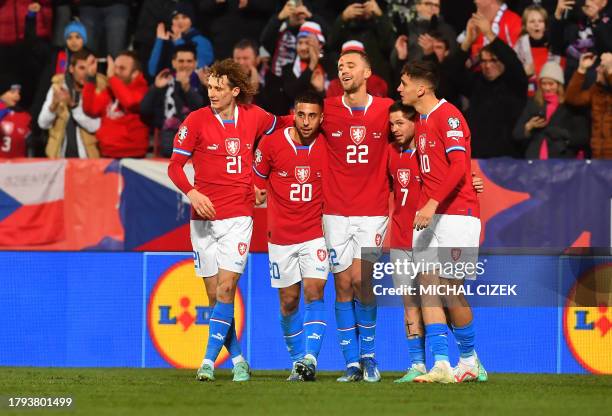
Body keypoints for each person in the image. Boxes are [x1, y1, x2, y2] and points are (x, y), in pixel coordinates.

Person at [167, 58, 291, 382]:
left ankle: (207, 362)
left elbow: (286, 125)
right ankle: (237, 358)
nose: (212, 92)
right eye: (210, 86)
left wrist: (325, 118)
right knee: (214, 298)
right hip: (202, 219)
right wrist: (192, 193)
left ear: (235, 91)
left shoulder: (255, 117)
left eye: (219, 88)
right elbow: (174, 168)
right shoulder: (195, 121)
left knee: (226, 289)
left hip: (238, 214)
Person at [386, 101, 486, 383]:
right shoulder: (391, 154)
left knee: (445, 296)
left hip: (434, 228)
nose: (395, 129)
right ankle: (424, 364)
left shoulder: (431, 149)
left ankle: (468, 358)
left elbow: (455, 173)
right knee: (412, 302)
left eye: (401, 123)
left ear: (415, 123)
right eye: (391, 124)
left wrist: (471, 181)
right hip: (402, 237)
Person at [321, 49, 394, 383]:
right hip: (335, 211)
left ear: (367, 71)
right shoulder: (326, 109)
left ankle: (369, 357)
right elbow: (293, 127)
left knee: (364, 281)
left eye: (351, 65)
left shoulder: (387, 109)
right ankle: (351, 363)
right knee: (343, 285)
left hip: (372, 211)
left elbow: (417, 140)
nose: (344, 70)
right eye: (340, 66)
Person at [253, 91, 328, 382]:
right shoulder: (271, 143)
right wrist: (256, 191)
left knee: (314, 291)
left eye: (312, 116)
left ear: (321, 118)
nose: (306, 122)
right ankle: (298, 362)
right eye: (301, 115)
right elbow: (256, 181)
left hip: (315, 234)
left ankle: (310, 358)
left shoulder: (329, 145)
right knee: (288, 301)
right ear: (293, 114)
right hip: (281, 237)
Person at [449, 13, 527, 158]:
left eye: (493, 60)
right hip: (476, 159)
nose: (488, 65)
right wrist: (466, 43)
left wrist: (489, 34)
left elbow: (513, 62)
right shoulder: (477, 82)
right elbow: (452, 74)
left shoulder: (514, 83)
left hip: (508, 160)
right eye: (483, 61)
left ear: (502, 61)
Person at [513, 61, 589, 158]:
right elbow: (517, 134)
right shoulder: (533, 103)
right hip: (535, 157)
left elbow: (581, 137)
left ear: (559, 85)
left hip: (561, 160)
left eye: (551, 84)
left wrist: (563, 136)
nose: (547, 88)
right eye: (544, 84)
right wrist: (528, 126)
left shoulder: (568, 105)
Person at [141, 44, 205, 158]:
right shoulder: (164, 82)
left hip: (197, 149)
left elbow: (203, 111)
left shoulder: (203, 84)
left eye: (189, 61)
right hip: (168, 148)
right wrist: (155, 88)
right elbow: (144, 110)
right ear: (173, 63)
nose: (185, 65)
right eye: (181, 61)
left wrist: (187, 89)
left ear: (195, 63)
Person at [82, 51, 149, 158]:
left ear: (135, 74)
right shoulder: (111, 89)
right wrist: (90, 78)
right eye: (115, 67)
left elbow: (130, 103)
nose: (116, 71)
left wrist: (112, 78)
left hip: (134, 157)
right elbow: (90, 109)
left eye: (122, 68)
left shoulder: (142, 90)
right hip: (107, 154)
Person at [38, 48, 102, 158]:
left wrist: (72, 105)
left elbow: (96, 127)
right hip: (59, 160)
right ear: (71, 68)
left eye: (89, 68)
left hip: (89, 161)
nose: (86, 73)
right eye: (82, 68)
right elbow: (43, 124)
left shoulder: (99, 89)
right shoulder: (58, 87)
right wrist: (53, 105)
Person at [329, 1, 395, 85]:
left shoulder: (379, 24)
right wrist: (343, 18)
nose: (363, 9)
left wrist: (379, 16)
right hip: (349, 82)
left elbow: (389, 45)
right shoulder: (346, 27)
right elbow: (331, 44)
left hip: (377, 82)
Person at [148, 2, 214, 78]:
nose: (180, 21)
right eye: (176, 18)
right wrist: (159, 41)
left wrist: (179, 42)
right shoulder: (168, 40)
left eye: (184, 17)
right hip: (169, 86)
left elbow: (200, 68)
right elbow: (152, 71)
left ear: (191, 20)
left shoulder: (201, 41)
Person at [565, 52, 612, 158]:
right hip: (597, 156)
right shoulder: (596, 90)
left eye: (602, 67)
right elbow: (572, 98)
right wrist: (581, 70)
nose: (597, 69)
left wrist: (610, 69)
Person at [550, 0, 611, 80]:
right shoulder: (571, 18)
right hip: (570, 75)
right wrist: (557, 15)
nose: (588, 1)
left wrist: (596, 20)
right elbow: (556, 48)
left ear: (604, 2)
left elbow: (608, 49)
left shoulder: (608, 22)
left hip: (598, 78)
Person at [514, 5, 562, 96]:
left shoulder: (555, 47)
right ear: (525, 26)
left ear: (545, 25)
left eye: (540, 21)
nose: (536, 24)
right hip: (526, 96)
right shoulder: (518, 48)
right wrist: (523, 73)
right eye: (532, 21)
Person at [457, 0, 522, 64]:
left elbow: (518, 63)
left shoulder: (513, 22)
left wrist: (489, 34)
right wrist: (467, 42)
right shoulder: (476, 25)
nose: (475, 1)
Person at [282, 22, 328, 101]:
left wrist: (321, 91)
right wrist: (312, 65)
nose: (303, 48)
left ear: (319, 45)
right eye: (300, 43)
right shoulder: (288, 68)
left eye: (307, 43)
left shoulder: (328, 67)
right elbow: (292, 94)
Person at [0, 80, 31, 158]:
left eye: (18, 92)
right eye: (12, 92)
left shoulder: (24, 116)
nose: (17, 96)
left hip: (17, 166)